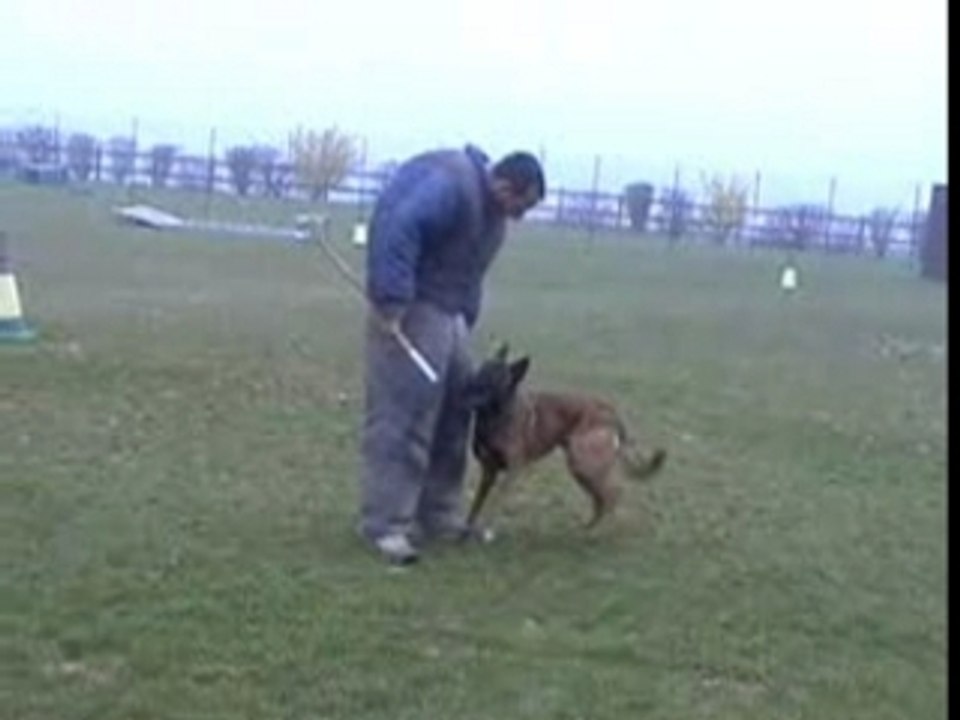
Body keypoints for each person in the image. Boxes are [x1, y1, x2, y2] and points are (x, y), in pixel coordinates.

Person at [358, 144, 545, 564]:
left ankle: (438, 513)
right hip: (411, 307)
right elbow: (398, 225)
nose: (518, 216)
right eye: (521, 204)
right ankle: (387, 524)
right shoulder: (451, 181)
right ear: (504, 183)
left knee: (456, 412)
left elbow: (470, 269)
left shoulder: (493, 214)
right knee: (404, 416)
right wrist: (391, 300)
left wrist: (466, 316)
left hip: (449, 314)